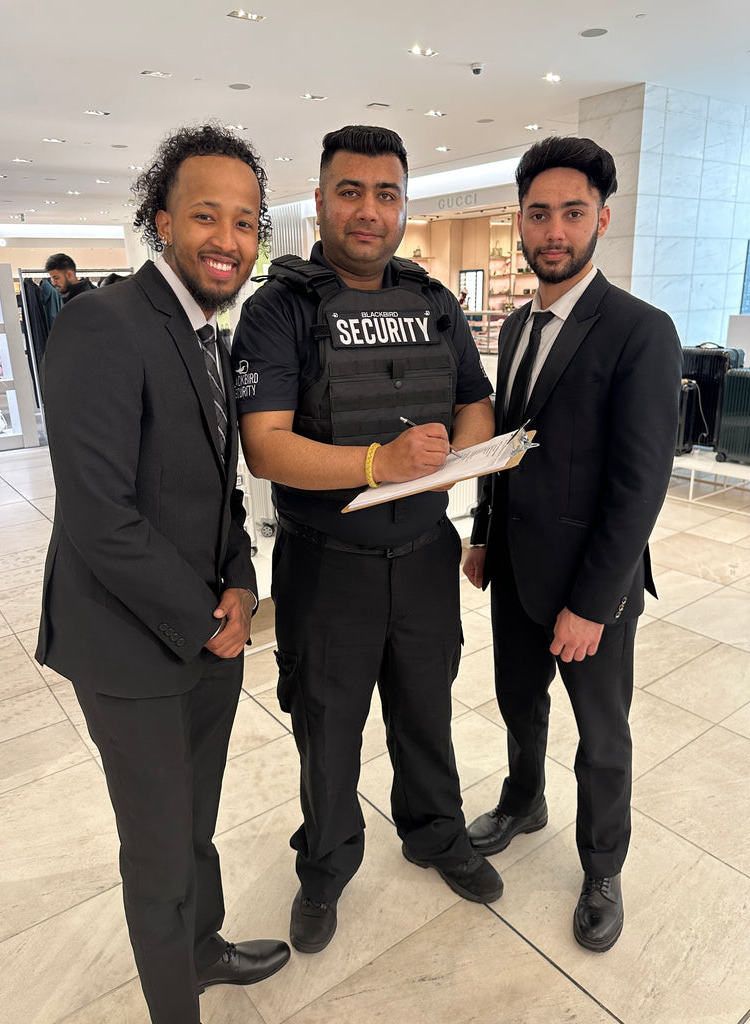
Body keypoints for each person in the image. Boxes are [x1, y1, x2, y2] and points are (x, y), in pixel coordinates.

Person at [36, 124, 290, 1024]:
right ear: (161, 219)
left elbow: (217, 489)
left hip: (205, 633)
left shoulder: (205, 335)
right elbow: (101, 517)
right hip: (129, 646)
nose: (228, 238)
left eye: (247, 221)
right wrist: (206, 613)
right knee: (156, 850)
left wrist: (242, 582)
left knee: (194, 824)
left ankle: (203, 946)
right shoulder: (102, 326)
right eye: (207, 216)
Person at [233, 124, 502, 955]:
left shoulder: (434, 301)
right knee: (328, 726)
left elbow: (474, 400)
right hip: (326, 567)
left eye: (386, 193)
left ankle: (436, 833)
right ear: (318, 202)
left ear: (403, 207)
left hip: (424, 559)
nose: (368, 210)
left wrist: (454, 462)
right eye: (350, 191)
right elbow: (265, 443)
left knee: (427, 713)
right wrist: (378, 463)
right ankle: (325, 867)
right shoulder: (280, 310)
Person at [462, 136, 682, 952]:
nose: (554, 230)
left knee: (602, 734)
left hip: (594, 581)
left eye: (572, 213)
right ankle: (525, 799)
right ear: (520, 220)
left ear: (602, 220)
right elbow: (508, 446)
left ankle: (602, 865)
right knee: (519, 700)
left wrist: (593, 604)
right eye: (539, 213)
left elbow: (639, 486)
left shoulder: (639, 330)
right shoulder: (518, 327)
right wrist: (483, 533)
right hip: (515, 564)